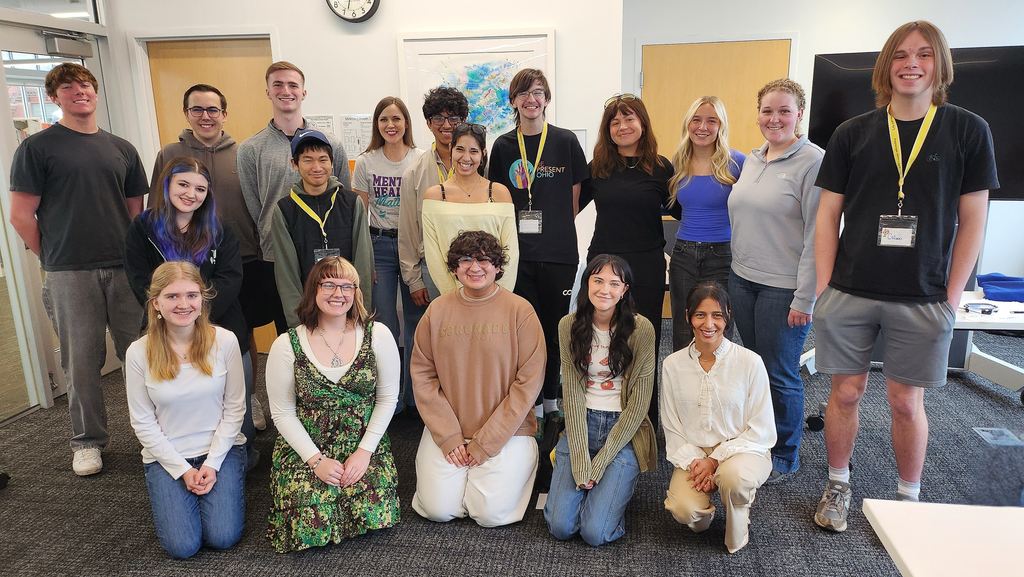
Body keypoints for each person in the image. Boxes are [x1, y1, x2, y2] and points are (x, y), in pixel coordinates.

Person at [812, 21, 997, 530]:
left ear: (939, 65)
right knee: (845, 393)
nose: (910, 63)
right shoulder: (852, 133)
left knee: (905, 401)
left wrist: (951, 297)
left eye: (923, 54)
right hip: (850, 289)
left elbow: (974, 221)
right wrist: (826, 288)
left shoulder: (967, 130)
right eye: (899, 54)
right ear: (885, 66)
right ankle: (837, 483)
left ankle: (908, 501)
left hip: (923, 294)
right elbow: (828, 215)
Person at [9, 62, 148, 476]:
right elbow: (20, 216)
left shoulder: (121, 148)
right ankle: (88, 442)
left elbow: (134, 213)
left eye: (85, 84)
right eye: (68, 87)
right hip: (69, 272)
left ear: (96, 91)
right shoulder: (37, 148)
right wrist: (51, 258)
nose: (79, 92)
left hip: (124, 269)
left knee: (141, 355)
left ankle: (154, 431)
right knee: (81, 359)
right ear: (54, 97)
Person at [124, 156, 258, 469]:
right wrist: (179, 315)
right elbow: (141, 281)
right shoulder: (143, 228)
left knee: (237, 404)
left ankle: (242, 459)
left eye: (200, 188)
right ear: (167, 184)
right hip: (166, 330)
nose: (191, 194)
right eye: (183, 184)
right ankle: (175, 461)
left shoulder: (219, 229)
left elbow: (230, 278)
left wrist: (196, 313)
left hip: (222, 323)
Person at [265, 256, 400, 552]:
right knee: (310, 523)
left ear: (356, 293)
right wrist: (316, 461)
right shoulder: (286, 344)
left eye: (347, 286)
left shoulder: (379, 335)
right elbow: (282, 412)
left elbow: (388, 399)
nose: (338, 294)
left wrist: (365, 453)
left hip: (363, 441)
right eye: (329, 284)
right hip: (308, 445)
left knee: (375, 513)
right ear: (314, 289)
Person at [152, 83, 267, 431]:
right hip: (182, 267)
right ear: (186, 114)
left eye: (212, 110)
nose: (206, 116)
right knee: (184, 333)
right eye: (197, 110)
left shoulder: (242, 153)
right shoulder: (169, 153)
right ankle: (193, 405)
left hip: (241, 257)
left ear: (224, 114)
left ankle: (247, 397)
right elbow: (156, 208)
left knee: (240, 333)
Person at [410, 230, 544, 527]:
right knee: (437, 510)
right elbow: (423, 376)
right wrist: (449, 436)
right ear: (454, 268)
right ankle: (463, 477)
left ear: (497, 266)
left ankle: (508, 469)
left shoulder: (521, 311)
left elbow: (527, 385)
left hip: (507, 432)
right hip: (449, 430)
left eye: (484, 260)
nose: (474, 267)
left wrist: (486, 443)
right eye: (465, 259)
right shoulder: (437, 310)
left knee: (490, 515)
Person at [728, 78, 823, 484]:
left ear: (800, 115)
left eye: (785, 110)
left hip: (784, 289)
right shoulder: (752, 159)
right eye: (767, 110)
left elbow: (819, 234)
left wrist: (806, 299)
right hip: (742, 279)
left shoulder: (814, 161)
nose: (775, 118)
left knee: (781, 372)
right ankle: (760, 437)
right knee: (756, 366)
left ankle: (784, 453)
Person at [124, 262, 247, 559]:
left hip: (221, 451)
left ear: (202, 300)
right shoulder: (138, 352)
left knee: (223, 537)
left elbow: (235, 409)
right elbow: (142, 423)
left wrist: (212, 464)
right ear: (156, 303)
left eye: (191, 295)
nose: (183, 304)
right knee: (182, 547)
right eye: (172, 297)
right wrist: (182, 470)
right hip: (167, 456)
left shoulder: (225, 341)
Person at [488, 68, 589, 425]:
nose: (532, 100)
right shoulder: (502, 146)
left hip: (559, 253)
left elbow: (575, 199)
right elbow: (496, 201)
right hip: (518, 257)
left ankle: (551, 402)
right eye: (524, 93)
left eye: (538, 92)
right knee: (523, 334)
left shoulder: (565, 141)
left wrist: (554, 230)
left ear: (546, 98)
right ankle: (527, 404)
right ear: (513, 101)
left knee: (555, 330)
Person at [544, 254, 657, 546]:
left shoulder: (641, 328)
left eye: (613, 283)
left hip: (623, 428)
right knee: (561, 527)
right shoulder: (568, 325)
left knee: (595, 533)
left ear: (624, 290)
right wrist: (582, 460)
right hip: (582, 421)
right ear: (587, 284)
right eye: (597, 280)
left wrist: (601, 461)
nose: (604, 289)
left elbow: (639, 405)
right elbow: (570, 394)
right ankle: (592, 495)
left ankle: (606, 499)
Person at [237, 61, 351, 335]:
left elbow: (344, 197)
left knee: (337, 327)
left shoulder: (331, 144)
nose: (285, 91)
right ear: (267, 92)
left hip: (329, 255)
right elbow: (254, 205)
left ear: (303, 93)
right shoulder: (250, 149)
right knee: (291, 332)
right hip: (278, 257)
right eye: (278, 84)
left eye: (292, 85)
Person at [661, 282, 776, 553]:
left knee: (733, 478)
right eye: (700, 315)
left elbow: (761, 428)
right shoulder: (672, 365)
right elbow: (672, 427)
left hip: (744, 450)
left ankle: (739, 506)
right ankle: (709, 502)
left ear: (728, 317)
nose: (708, 323)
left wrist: (716, 461)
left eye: (717, 315)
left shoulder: (750, 362)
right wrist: (699, 463)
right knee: (684, 510)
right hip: (696, 454)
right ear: (689, 316)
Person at [580, 94, 674, 422]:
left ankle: (642, 420)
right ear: (607, 129)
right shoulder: (597, 168)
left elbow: (686, 210)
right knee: (601, 342)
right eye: (615, 122)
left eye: (629, 119)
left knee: (644, 345)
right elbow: (565, 209)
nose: (623, 127)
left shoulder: (662, 168)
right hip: (604, 266)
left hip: (646, 267)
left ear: (643, 123)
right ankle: (600, 416)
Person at [397, 85, 469, 414]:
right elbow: (409, 230)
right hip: (432, 268)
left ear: (463, 121)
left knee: (468, 337)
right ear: (427, 123)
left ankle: (465, 399)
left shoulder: (477, 163)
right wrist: (413, 279)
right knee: (436, 340)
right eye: (438, 118)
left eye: (453, 117)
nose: (446, 124)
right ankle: (432, 406)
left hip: (472, 268)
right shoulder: (415, 172)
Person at [352, 96, 423, 408]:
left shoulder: (421, 159)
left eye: (396, 119)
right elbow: (359, 217)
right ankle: (389, 398)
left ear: (406, 123)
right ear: (376, 125)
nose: (390, 125)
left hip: (413, 248)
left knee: (416, 324)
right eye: (384, 119)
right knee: (383, 326)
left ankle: (414, 397)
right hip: (378, 245)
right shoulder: (367, 161)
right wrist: (365, 261)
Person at [270, 128, 373, 328]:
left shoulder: (352, 203)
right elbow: (286, 273)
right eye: (308, 160)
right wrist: (297, 321)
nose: (316, 167)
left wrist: (360, 311)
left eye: (322, 159)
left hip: (347, 305)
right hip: (307, 309)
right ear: (295, 164)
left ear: (332, 162)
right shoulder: (284, 210)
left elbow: (364, 261)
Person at [667, 96, 746, 351]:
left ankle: (719, 388)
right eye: (696, 120)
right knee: (683, 325)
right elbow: (667, 205)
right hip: (683, 254)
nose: (703, 127)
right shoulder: (677, 162)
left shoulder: (737, 163)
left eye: (711, 121)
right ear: (688, 124)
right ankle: (684, 388)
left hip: (723, 254)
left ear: (720, 126)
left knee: (719, 324)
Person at [422, 122, 519, 294]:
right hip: (451, 296)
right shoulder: (435, 195)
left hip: (495, 295)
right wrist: (456, 297)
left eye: (473, 151)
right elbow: (434, 256)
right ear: (451, 149)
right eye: (460, 149)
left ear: (483, 155)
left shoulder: (499, 193)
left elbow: (510, 252)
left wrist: (497, 295)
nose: (466, 158)